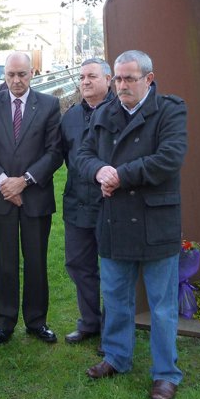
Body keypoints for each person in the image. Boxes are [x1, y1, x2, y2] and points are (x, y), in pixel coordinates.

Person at [77, 50, 187, 399]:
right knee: (116, 298)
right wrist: (98, 170)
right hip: (114, 220)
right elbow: (82, 155)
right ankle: (117, 357)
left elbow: (169, 159)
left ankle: (165, 374)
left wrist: (120, 175)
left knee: (162, 306)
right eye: (119, 79)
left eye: (129, 79)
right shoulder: (105, 112)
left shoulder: (170, 110)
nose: (121, 85)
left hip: (156, 222)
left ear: (149, 79)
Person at [0, 51, 63, 345]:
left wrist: (24, 182)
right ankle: (4, 321)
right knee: (3, 261)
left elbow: (55, 152)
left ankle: (36, 321)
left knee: (36, 260)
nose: (16, 80)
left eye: (22, 74)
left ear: (32, 73)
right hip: (1, 196)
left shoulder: (50, 105)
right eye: (11, 75)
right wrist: (5, 183)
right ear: (4, 75)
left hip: (35, 196)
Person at [60, 58, 114, 345]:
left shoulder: (121, 113)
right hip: (77, 204)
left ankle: (112, 329)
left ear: (108, 79)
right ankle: (90, 321)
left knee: (114, 270)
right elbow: (56, 155)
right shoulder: (69, 117)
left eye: (92, 76)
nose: (85, 82)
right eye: (81, 77)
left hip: (111, 204)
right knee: (79, 264)